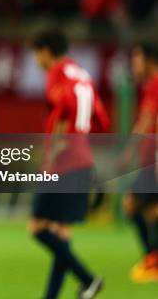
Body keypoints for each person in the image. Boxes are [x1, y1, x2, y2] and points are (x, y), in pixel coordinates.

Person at [30, 30, 109, 299]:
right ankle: (56, 295)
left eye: (36, 53)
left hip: (63, 161)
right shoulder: (82, 75)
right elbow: (102, 120)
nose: (36, 59)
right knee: (61, 233)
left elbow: (62, 110)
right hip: (82, 159)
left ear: (45, 52)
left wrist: (53, 152)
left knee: (38, 227)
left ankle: (89, 278)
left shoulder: (58, 74)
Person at [122, 43, 158, 282]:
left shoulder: (155, 85)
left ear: (149, 60)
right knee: (143, 209)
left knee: (135, 205)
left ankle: (152, 260)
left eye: (137, 59)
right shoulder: (150, 86)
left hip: (153, 160)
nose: (134, 65)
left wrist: (129, 151)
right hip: (149, 159)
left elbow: (147, 120)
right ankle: (152, 259)